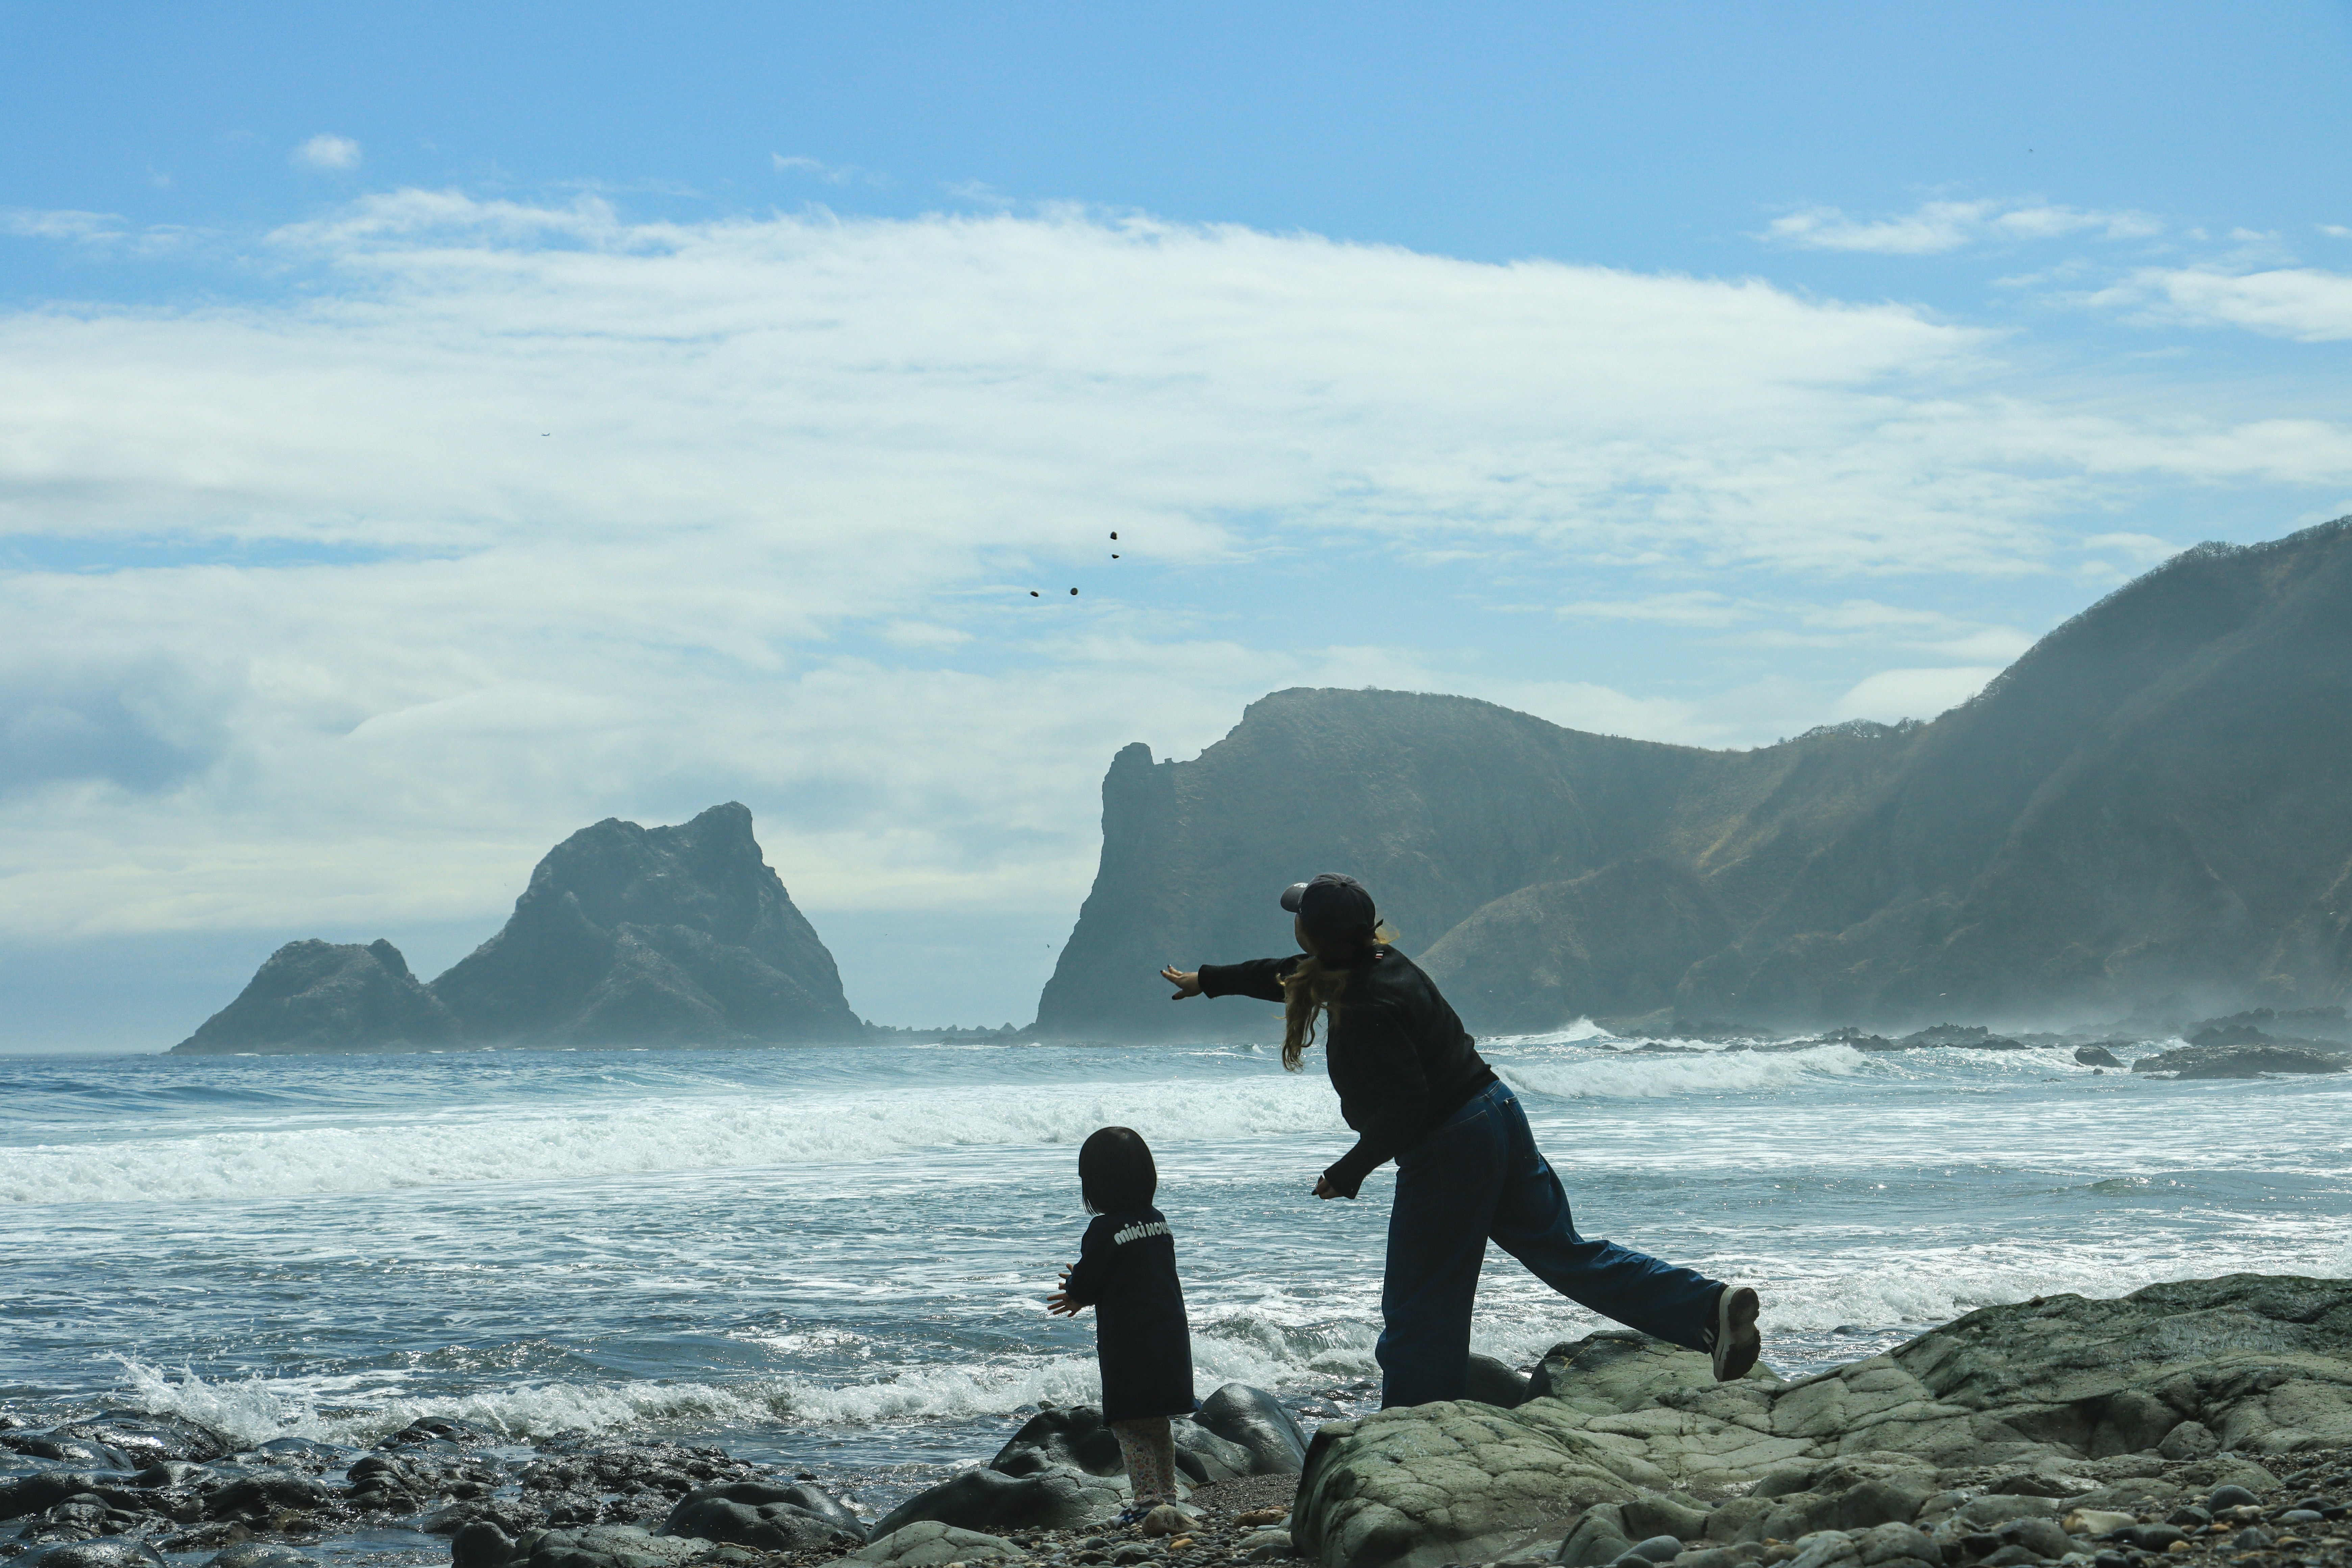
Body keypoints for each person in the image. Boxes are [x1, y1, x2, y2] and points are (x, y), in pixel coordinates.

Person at [1159, 873, 1760, 1409]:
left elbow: (1407, 1106)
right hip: (1496, 1111)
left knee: (1421, 1304)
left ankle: (1413, 1430)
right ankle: (1707, 1308)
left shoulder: (1368, 1001)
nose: (1293, 926)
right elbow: (1284, 975)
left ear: (1314, 936)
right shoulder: (1374, 962)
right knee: (1566, 1253)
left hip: (1451, 1145)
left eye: (1298, 918)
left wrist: (1351, 1170)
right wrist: (1208, 980)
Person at [1047, 1125, 1196, 1520]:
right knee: (1158, 1421)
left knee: (1130, 1425)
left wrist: (1075, 1290)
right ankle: (1168, 1496)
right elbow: (1139, 1274)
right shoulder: (1158, 1222)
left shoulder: (1104, 1229)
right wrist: (1086, 1285)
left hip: (1130, 1346)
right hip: (1170, 1340)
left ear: (1097, 1184)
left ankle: (1146, 1501)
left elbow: (1093, 1278)